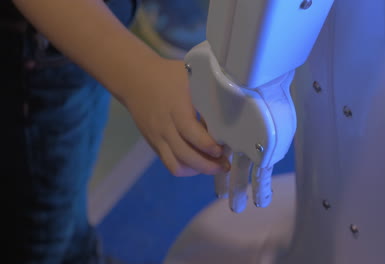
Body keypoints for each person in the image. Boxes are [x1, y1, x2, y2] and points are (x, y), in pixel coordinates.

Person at [2, 0, 230, 263]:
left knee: (67, 185)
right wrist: (138, 75)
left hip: (87, 34)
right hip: (40, 54)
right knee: (41, 227)